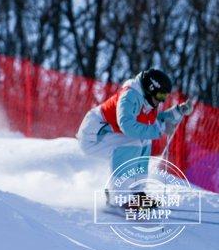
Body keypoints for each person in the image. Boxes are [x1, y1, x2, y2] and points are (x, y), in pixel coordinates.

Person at [76, 69, 193, 208]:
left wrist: (178, 111)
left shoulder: (148, 99)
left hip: (109, 134)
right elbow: (127, 126)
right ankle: (118, 195)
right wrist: (160, 130)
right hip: (94, 136)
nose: (162, 100)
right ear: (151, 88)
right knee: (133, 141)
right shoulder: (130, 96)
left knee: (145, 140)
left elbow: (155, 120)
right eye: (161, 94)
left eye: (165, 96)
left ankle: (136, 192)